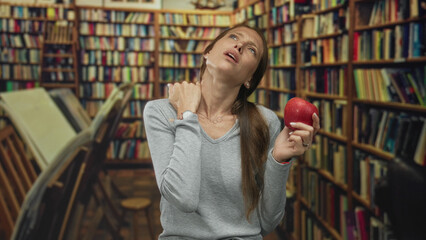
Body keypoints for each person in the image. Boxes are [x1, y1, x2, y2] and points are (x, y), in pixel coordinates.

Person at [143, 23, 320, 239]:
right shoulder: (160, 112)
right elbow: (183, 198)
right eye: (234, 37)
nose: (239, 46)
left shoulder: (265, 122)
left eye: (251, 49)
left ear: (250, 79)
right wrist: (187, 115)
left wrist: (279, 160)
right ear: (207, 52)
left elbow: (268, 222)